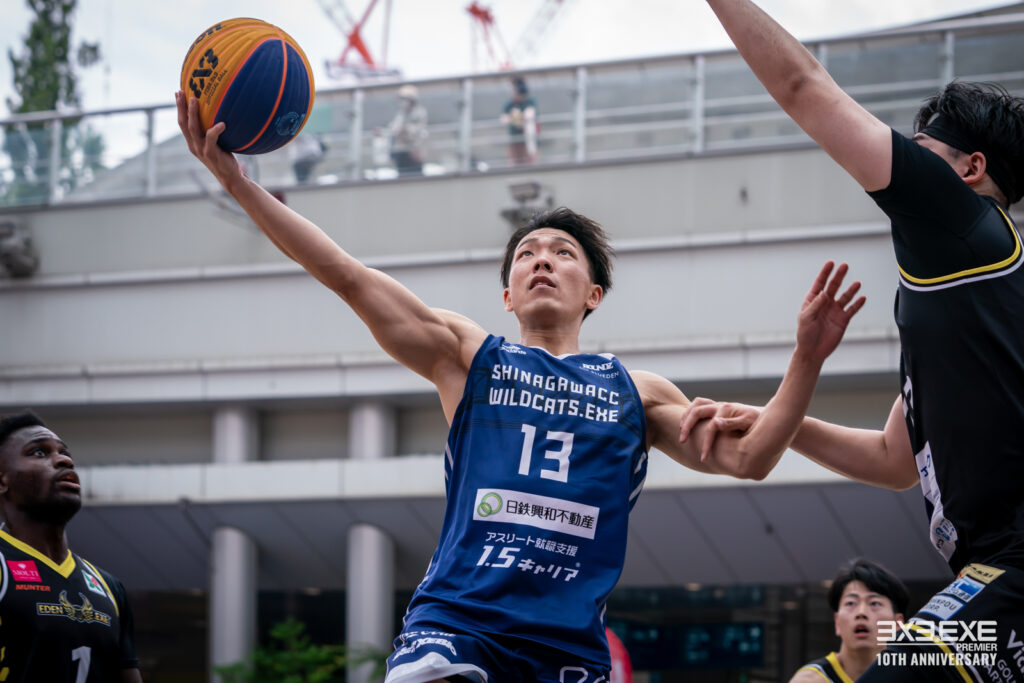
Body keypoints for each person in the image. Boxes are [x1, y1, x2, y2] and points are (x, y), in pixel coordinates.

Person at [176, 88, 864, 683]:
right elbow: (346, 275)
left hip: (564, 645)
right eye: (527, 254)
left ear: (592, 293)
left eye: (562, 252)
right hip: (457, 622)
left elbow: (751, 458)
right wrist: (240, 185)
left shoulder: (638, 390)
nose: (542, 260)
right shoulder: (468, 356)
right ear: (507, 295)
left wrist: (806, 358)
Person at [684, 2, 1024, 680]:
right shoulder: (965, 300)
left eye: (922, 149)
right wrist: (777, 421)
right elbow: (895, 460)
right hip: (993, 571)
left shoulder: (961, 226)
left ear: (970, 168)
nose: (904, 160)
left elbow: (802, 86)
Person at [0, 410, 143, 683]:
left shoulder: (109, 587)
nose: (64, 460)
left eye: (64, 452)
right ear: (2, 481)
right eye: (39, 452)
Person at [791, 559, 908, 683]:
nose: (861, 612)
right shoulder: (810, 680)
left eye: (874, 603)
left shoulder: (914, 675)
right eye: (851, 603)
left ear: (898, 624)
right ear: (837, 622)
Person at [387, 84, 428, 175]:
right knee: (402, 177)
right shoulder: (401, 114)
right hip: (400, 153)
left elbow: (419, 132)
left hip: (414, 153)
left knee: (415, 177)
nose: (402, 102)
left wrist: (406, 131)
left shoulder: (419, 113)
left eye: (404, 99)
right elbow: (394, 130)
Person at [501, 77, 538, 166]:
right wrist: (515, 117)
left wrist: (516, 117)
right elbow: (504, 119)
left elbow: (529, 114)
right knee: (515, 162)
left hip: (528, 139)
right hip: (514, 140)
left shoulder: (529, 102)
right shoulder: (510, 104)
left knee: (530, 162)